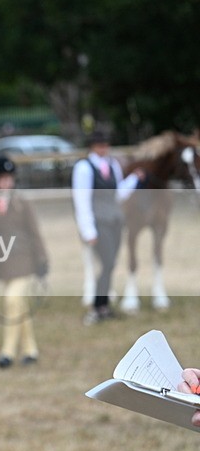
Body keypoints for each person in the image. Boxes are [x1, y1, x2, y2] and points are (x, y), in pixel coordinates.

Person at [0, 156, 49, 369]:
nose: (7, 183)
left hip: (25, 260)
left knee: (12, 301)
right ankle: (30, 350)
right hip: (5, 264)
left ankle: (7, 352)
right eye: (2, 179)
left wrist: (42, 259)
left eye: (10, 178)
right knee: (19, 305)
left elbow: (35, 232)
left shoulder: (22, 203)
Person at [71, 130, 144, 325]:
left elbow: (118, 193)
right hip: (98, 223)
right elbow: (82, 200)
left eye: (106, 144)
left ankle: (103, 306)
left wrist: (135, 180)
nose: (104, 148)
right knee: (107, 264)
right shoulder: (84, 168)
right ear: (93, 147)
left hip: (114, 221)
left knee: (110, 265)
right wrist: (88, 230)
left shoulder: (112, 165)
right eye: (100, 145)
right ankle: (97, 306)